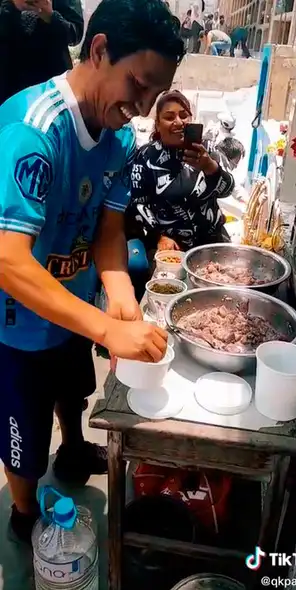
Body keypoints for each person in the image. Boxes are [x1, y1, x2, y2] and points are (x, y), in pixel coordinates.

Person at [0, 0, 180, 541]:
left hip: (73, 305)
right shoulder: (34, 132)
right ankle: (24, 511)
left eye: (155, 94)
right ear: (99, 50)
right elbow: (8, 261)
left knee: (72, 388)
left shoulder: (119, 137)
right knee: (23, 434)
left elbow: (108, 231)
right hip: (18, 323)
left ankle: (75, 450)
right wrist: (107, 327)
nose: (144, 107)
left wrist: (119, 293)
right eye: (139, 85)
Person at [124, 91, 236, 294]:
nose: (179, 121)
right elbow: (138, 204)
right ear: (157, 124)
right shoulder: (147, 157)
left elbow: (228, 189)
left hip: (212, 241)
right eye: (169, 117)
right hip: (170, 247)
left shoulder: (208, 150)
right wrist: (160, 236)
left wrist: (210, 167)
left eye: (184, 115)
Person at [0, 0, 85, 105]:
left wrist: (51, 16)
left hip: (51, 85)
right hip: (7, 79)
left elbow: (75, 33)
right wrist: (12, 6)